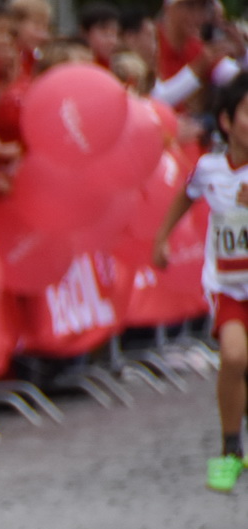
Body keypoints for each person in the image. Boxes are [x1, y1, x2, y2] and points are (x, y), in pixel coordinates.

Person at [153, 72, 248, 493]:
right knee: (232, 356)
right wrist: (161, 239)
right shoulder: (209, 167)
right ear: (227, 121)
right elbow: (185, 196)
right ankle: (231, 449)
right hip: (229, 285)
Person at [79, 2, 122, 68]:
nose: (113, 41)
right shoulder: (75, 65)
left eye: (116, 34)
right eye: (105, 33)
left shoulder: (120, 68)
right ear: (85, 33)